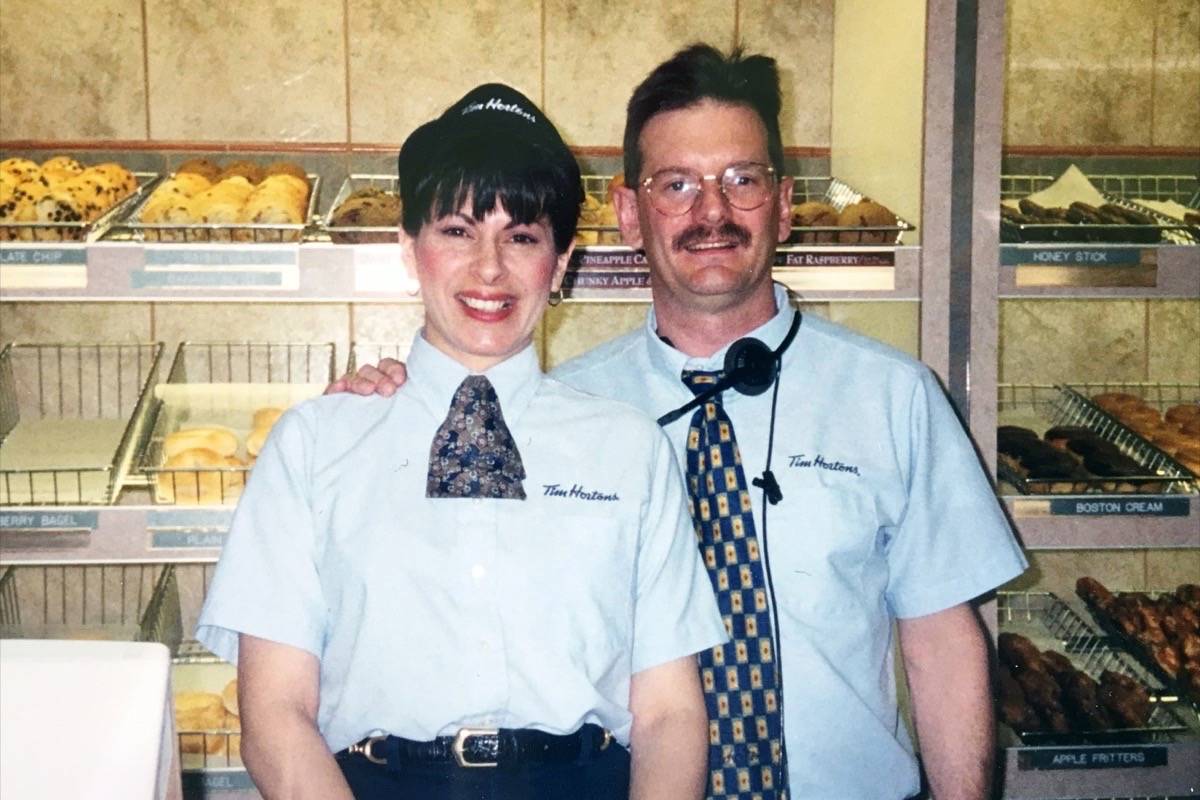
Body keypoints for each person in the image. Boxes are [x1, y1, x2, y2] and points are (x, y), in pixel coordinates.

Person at [335, 46, 1028, 800]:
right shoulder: (548, 417)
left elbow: (942, 643)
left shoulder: (894, 398)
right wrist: (396, 405)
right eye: (677, 185)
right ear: (629, 213)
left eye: (743, 180)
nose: (712, 213)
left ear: (786, 202)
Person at [196, 82, 727, 800]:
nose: (488, 268)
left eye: (523, 237)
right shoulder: (314, 444)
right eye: (456, 230)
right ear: (409, 248)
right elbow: (275, 714)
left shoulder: (627, 450)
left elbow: (668, 715)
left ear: (561, 263)